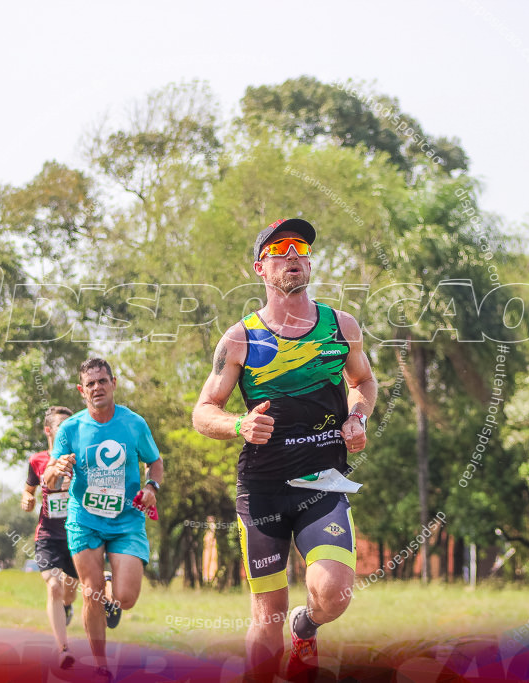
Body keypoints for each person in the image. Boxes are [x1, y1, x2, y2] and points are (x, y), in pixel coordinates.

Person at [192, 218, 377, 682]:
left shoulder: (341, 326)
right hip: (264, 492)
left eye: (300, 248)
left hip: (323, 482)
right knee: (266, 618)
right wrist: (239, 423)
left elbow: (364, 382)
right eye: (280, 250)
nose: (293, 255)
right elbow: (203, 411)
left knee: (333, 593)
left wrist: (358, 417)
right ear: (261, 268)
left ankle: (308, 625)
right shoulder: (240, 339)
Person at [44, 358, 164, 682]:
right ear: (82, 391)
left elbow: (155, 462)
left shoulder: (134, 423)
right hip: (84, 518)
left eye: (102, 381)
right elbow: (50, 479)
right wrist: (56, 470)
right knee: (90, 591)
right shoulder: (71, 429)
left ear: (114, 383)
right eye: (91, 384)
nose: (97, 387)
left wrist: (152, 486)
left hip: (126, 519)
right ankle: (100, 666)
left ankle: (112, 591)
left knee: (126, 598)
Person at [21, 405, 79, 670]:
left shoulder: (79, 457)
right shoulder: (37, 460)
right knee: (53, 586)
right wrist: (27, 499)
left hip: (77, 534)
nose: (67, 431)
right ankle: (63, 649)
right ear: (48, 430)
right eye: (61, 427)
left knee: (69, 592)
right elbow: (28, 490)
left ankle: (67, 608)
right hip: (48, 535)